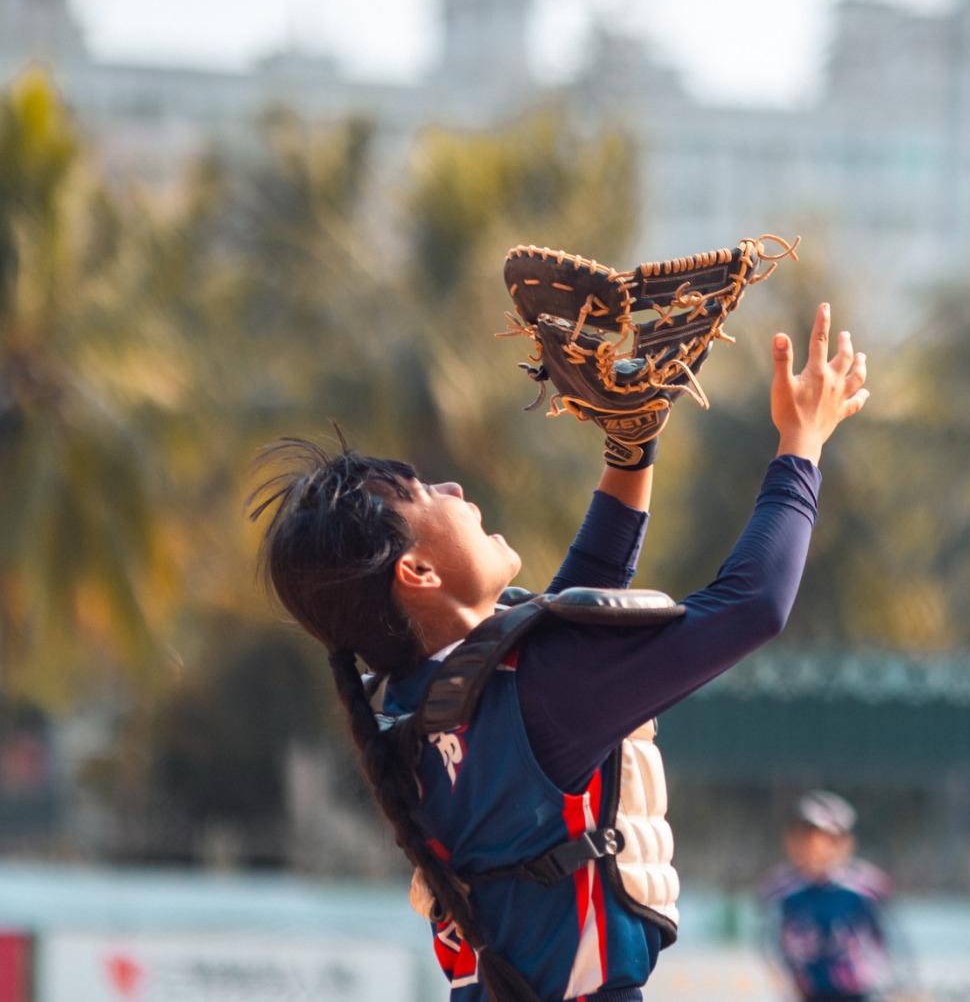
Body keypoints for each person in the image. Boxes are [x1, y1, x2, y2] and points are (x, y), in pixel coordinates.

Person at [247, 301, 868, 1002]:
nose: (453, 490)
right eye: (426, 494)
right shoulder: (530, 692)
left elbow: (577, 609)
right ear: (417, 574)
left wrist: (632, 445)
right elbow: (753, 605)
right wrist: (801, 444)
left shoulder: (415, 710)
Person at [759, 790, 898, 1002]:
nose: (815, 850)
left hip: (856, 993)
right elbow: (770, 941)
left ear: (845, 843)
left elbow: (889, 942)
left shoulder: (866, 888)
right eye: (805, 840)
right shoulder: (780, 889)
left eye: (825, 841)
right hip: (806, 993)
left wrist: (896, 985)